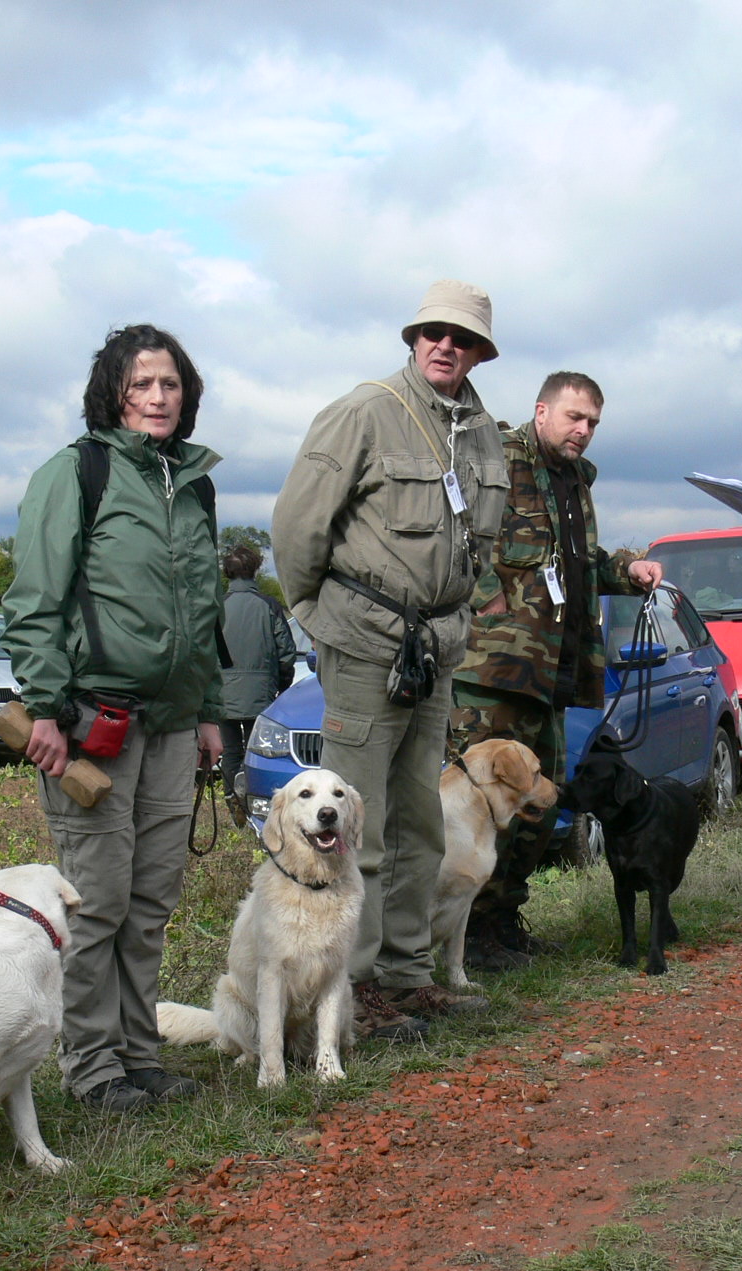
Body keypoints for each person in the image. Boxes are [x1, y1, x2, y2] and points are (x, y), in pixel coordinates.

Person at [272, 280, 509, 1037]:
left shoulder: (481, 433)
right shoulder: (364, 411)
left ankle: (408, 974)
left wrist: (459, 616)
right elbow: (297, 525)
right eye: (434, 332)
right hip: (366, 646)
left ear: (479, 352)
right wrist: (317, 617)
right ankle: (357, 986)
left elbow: (484, 541)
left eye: (463, 338)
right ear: (414, 337)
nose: (447, 346)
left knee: (420, 821)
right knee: (355, 830)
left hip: (435, 649)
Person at [1, 324, 227, 1114]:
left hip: (170, 726)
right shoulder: (76, 473)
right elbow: (35, 602)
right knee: (96, 899)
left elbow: (203, 609)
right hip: (93, 722)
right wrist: (46, 708)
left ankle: (140, 1052)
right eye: (142, 386)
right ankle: (92, 1067)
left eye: (170, 384)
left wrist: (205, 711)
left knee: (152, 897)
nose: (158, 398)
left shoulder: (193, 483)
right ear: (114, 393)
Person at [447, 372, 662, 972]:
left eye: (592, 423)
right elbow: (454, 522)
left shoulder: (574, 482)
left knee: (539, 804)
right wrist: (483, 592)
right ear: (542, 411)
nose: (583, 431)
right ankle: (470, 934)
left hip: (554, 666)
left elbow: (577, 561)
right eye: (574, 417)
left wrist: (628, 569)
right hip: (494, 667)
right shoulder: (498, 455)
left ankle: (503, 920)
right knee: (482, 805)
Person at [218, 543, 297, 820]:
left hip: (222, 693)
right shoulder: (269, 606)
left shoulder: (218, 607)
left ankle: (232, 799)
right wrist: (282, 686)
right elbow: (286, 653)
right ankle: (254, 803)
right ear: (255, 570)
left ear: (227, 572)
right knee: (257, 751)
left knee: (230, 750)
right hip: (262, 691)